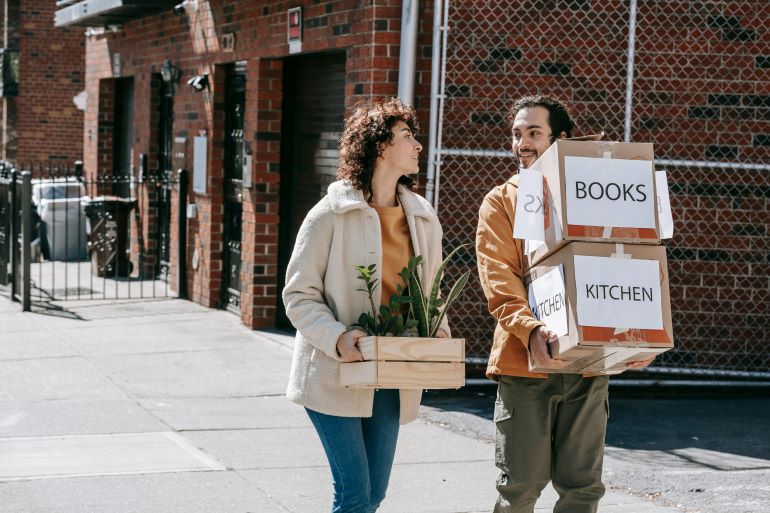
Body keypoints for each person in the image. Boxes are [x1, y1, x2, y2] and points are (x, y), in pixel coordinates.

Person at [475, 95, 654, 513]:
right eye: (517, 134)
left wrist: (636, 335)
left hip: (588, 366)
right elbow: (498, 277)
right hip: (525, 362)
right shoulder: (502, 200)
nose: (522, 143)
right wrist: (531, 329)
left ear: (561, 138)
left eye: (534, 133)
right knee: (519, 488)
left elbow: (629, 257)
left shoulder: (595, 195)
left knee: (582, 488)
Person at [283, 97, 450, 513]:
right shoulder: (330, 215)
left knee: (373, 494)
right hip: (332, 373)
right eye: (407, 136)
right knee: (355, 494)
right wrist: (337, 337)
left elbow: (432, 292)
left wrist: (437, 337)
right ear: (379, 146)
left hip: (392, 371)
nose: (417, 146)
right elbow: (298, 295)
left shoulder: (423, 218)